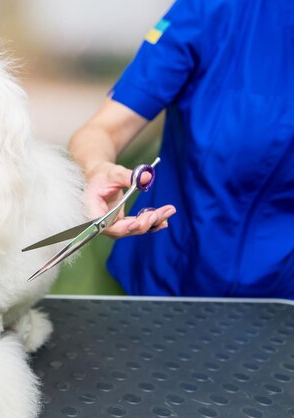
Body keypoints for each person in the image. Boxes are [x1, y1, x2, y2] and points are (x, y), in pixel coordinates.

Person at [70, 0, 294, 297]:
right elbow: (104, 130)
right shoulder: (211, 9)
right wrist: (97, 169)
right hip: (166, 284)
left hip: (281, 303)